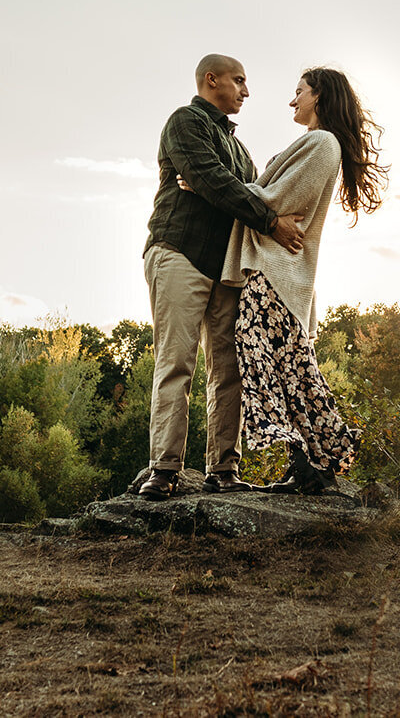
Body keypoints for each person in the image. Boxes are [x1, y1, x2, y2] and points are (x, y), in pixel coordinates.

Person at [138, 54, 306, 501]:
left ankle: (223, 469)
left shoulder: (240, 148)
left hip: (227, 269)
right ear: (211, 80)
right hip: (179, 252)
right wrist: (268, 220)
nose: (246, 92)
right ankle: (165, 468)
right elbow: (211, 180)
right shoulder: (184, 122)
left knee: (228, 369)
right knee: (177, 362)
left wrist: (240, 195)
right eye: (239, 81)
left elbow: (250, 188)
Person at [220, 66, 387, 494]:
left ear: (319, 96)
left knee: (267, 362)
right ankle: (313, 464)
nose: (292, 100)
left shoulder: (322, 142)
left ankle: (311, 459)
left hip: (277, 272)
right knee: (290, 368)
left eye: (299, 92)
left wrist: (211, 189)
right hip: (282, 275)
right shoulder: (319, 142)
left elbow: (276, 201)